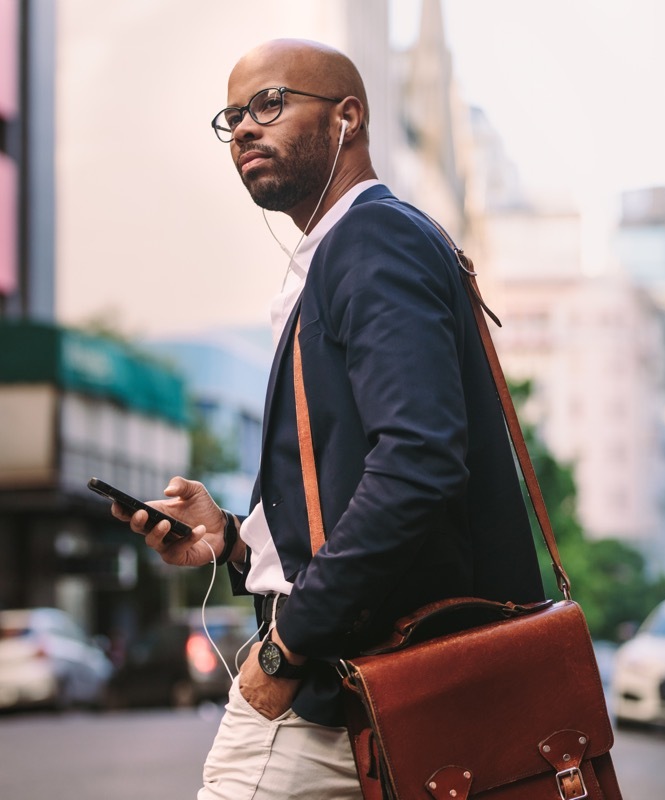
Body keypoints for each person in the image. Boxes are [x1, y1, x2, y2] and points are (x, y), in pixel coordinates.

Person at [111, 38, 545, 800]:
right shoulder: (348, 250)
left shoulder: (371, 240)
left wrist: (286, 647)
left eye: (270, 104)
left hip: (344, 680)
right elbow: (359, 484)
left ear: (348, 117)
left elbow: (418, 464)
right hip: (371, 680)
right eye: (233, 116)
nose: (244, 128)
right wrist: (236, 540)